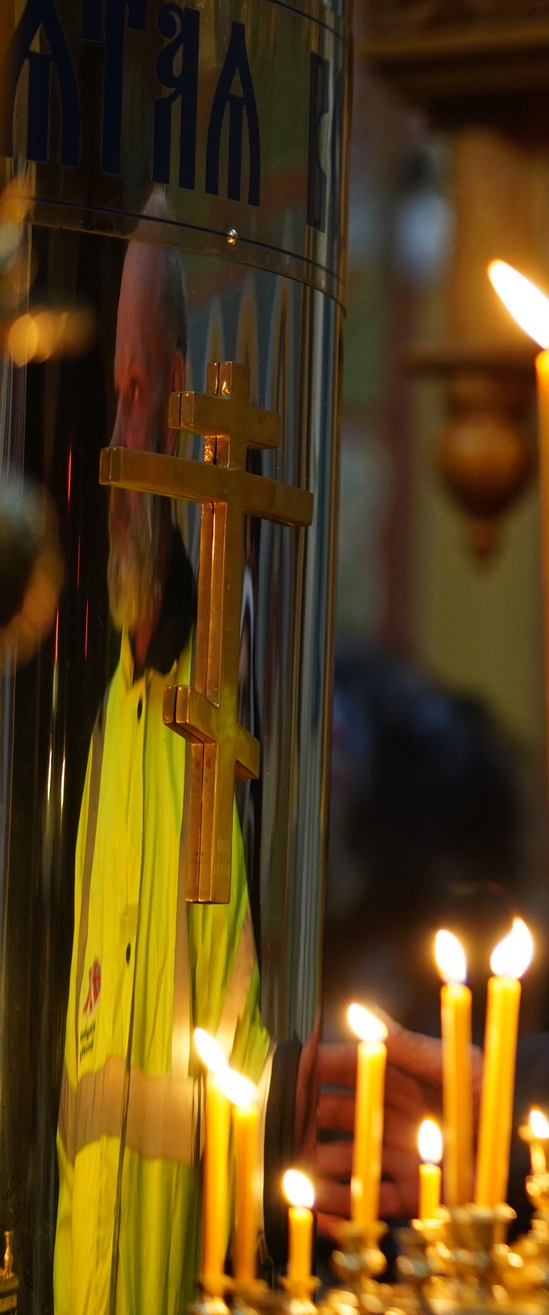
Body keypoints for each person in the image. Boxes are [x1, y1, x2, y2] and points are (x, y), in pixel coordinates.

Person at [55, 238, 267, 1315]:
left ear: (186, 402)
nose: (120, 440)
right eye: (114, 399)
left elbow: (252, 1041)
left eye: (143, 393)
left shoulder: (219, 711)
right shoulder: (109, 714)